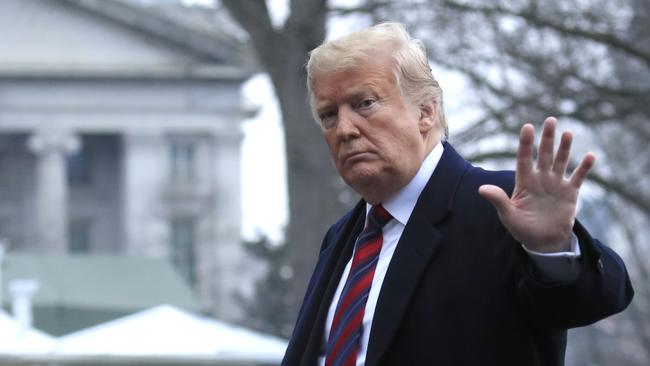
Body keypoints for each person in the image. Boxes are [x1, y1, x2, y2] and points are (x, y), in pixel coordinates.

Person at [282, 22, 634, 366]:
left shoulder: (503, 206)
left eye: (365, 103)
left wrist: (551, 251)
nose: (344, 129)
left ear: (425, 111)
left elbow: (597, 299)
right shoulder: (343, 236)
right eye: (328, 115)